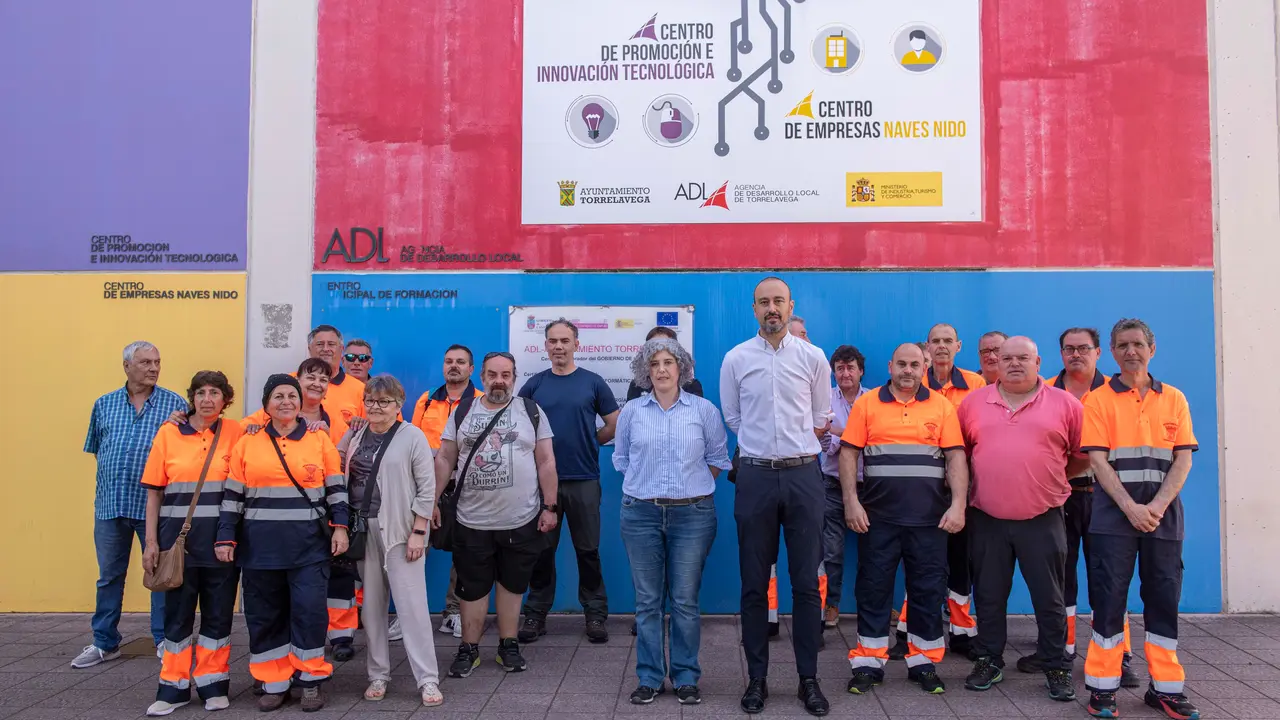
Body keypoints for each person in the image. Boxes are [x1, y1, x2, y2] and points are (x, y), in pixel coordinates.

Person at [721, 277, 832, 716]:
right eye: (764, 302)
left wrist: (794, 446)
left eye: (779, 301)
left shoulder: (813, 357)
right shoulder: (736, 358)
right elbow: (733, 416)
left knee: (806, 584)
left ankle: (809, 679)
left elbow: (822, 415)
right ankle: (758, 681)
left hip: (804, 475)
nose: (772, 308)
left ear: (791, 307)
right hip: (755, 477)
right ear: (754, 309)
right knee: (753, 583)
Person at [1081, 319, 1200, 720]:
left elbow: (1183, 458)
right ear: (1111, 352)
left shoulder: (1175, 399)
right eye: (1122, 345)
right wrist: (1131, 507)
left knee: (1164, 599)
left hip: (1163, 519)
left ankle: (1166, 688)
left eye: (1137, 344)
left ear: (1152, 347)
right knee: (1109, 600)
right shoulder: (1097, 400)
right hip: (1113, 518)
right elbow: (1097, 460)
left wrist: (1158, 507)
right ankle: (1102, 687)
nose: (1130, 351)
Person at [957, 337, 1086, 701]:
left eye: (1023, 358)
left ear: (1038, 361)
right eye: (1007, 357)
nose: (1014, 363)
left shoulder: (1065, 404)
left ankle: (1056, 665)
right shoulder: (972, 403)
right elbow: (962, 456)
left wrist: (1050, 479)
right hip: (987, 517)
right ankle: (989, 659)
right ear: (996, 361)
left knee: (1049, 597)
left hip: (1043, 517)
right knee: (989, 594)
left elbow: (1082, 455)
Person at [215, 375, 350, 712]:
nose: (286, 401)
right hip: (259, 550)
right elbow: (232, 497)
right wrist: (225, 537)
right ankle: (274, 682)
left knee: (310, 613)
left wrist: (341, 529)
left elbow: (336, 491)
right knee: (265, 616)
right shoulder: (247, 443)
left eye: (292, 395)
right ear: (266, 404)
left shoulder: (319, 441)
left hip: (309, 549)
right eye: (278, 396)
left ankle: (310, 680)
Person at [841, 343, 967, 697]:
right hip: (878, 518)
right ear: (890, 365)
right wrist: (851, 501)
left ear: (924, 366)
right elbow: (849, 454)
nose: (908, 370)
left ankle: (924, 663)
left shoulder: (941, 406)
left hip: (930, 521)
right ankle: (868, 662)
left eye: (915, 364)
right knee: (872, 589)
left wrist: (958, 505)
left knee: (927, 590)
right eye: (901, 364)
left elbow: (956, 458)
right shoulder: (867, 404)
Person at [614, 338, 731, 706]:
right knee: (647, 601)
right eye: (654, 364)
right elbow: (621, 459)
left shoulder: (703, 410)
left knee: (684, 600)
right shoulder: (632, 411)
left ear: (682, 368)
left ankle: (685, 677)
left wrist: (690, 489)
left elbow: (717, 457)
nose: (662, 369)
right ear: (645, 372)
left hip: (692, 515)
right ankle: (648, 677)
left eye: (669, 362)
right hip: (640, 514)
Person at [1021, 329, 1138, 687]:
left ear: (1098, 352)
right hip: (1061, 497)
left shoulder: (1118, 393)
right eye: (1069, 349)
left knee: (1109, 578)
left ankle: (1118, 654)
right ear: (1060, 353)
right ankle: (1060, 648)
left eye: (1083, 348)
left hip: (1106, 498)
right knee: (1060, 577)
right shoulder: (1046, 393)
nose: (1076, 355)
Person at [436, 352, 559, 678]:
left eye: (505, 375)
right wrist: (431, 502)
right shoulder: (464, 410)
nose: (499, 381)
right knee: (472, 588)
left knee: (512, 585)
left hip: (521, 518)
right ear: (483, 377)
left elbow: (546, 461)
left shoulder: (530, 412)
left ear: (514, 377)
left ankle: (508, 646)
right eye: (492, 374)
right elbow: (445, 458)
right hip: (471, 519)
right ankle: (469, 649)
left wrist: (550, 506)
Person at [75, 341, 187, 669]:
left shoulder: (174, 404)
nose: (153, 368)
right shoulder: (104, 404)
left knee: (159, 573)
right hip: (111, 505)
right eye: (145, 362)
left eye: (157, 362)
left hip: (153, 507)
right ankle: (104, 642)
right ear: (127, 366)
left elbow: (181, 454)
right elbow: (98, 449)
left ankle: (163, 639)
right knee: (109, 575)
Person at [141, 371, 245, 716]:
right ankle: (173, 687)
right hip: (178, 545)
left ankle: (213, 684)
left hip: (222, 542)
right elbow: (154, 493)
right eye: (200, 392)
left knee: (218, 615)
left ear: (225, 399)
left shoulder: (238, 432)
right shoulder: (169, 432)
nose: (207, 399)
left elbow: (274, 419)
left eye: (215, 392)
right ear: (192, 398)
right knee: (177, 616)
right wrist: (151, 542)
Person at [338, 375, 443, 707]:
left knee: (411, 609)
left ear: (399, 405)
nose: (375, 407)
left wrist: (419, 532)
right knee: (371, 610)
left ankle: (427, 679)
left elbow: (427, 488)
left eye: (384, 401)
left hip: (401, 533)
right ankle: (378, 674)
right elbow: (332, 464)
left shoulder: (412, 436)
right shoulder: (355, 434)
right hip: (364, 530)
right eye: (370, 400)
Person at [518, 319, 620, 644]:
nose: (559, 346)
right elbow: (519, 428)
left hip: (584, 480)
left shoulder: (593, 383)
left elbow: (614, 424)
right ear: (545, 346)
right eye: (553, 341)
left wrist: (591, 440)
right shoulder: (534, 387)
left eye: (565, 340)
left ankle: (595, 614)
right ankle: (535, 615)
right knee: (541, 552)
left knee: (587, 550)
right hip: (542, 484)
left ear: (577, 343)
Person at [910, 323, 986, 658]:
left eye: (947, 341)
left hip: (962, 487)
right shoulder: (913, 383)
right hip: (921, 487)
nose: (941, 347)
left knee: (960, 560)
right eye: (935, 341)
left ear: (958, 346)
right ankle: (909, 627)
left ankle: (962, 630)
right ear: (926, 348)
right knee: (920, 559)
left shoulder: (976, 384)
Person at [411, 344, 482, 638]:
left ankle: (453, 612)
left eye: (461, 362)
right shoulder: (426, 401)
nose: (454, 366)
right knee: (414, 549)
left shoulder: (481, 401)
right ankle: (409, 616)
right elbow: (412, 443)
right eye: (449, 361)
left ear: (471, 368)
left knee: (463, 552)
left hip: (465, 486)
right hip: (426, 486)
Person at [820, 345, 869, 629]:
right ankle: (832, 605)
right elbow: (822, 444)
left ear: (860, 371)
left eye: (851, 367)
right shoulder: (824, 399)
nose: (845, 373)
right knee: (832, 551)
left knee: (873, 552)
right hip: (831, 485)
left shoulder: (875, 400)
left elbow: (875, 440)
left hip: (869, 487)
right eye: (840, 368)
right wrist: (848, 437)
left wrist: (839, 434)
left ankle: (872, 605)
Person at [305, 324, 365, 425]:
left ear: (341, 349)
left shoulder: (361, 390)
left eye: (331, 344)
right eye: (320, 344)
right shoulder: (292, 384)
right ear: (310, 349)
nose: (325, 349)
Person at [626, 326, 704, 401]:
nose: (659, 349)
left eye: (668, 362)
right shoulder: (636, 385)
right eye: (652, 346)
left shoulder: (691, 385)